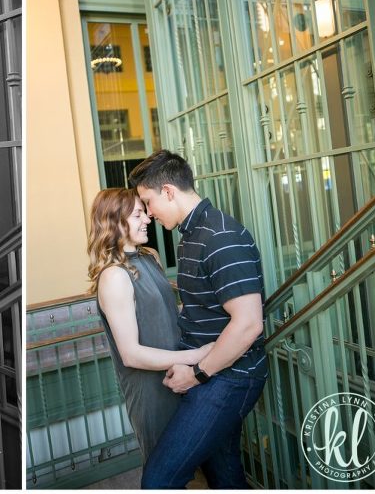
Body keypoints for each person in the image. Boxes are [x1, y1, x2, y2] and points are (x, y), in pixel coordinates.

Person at [129, 150, 266, 489]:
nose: (149, 213)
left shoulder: (219, 236)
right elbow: (204, 308)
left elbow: (248, 324)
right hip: (213, 373)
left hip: (227, 378)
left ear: (169, 192)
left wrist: (197, 374)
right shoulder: (193, 234)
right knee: (224, 471)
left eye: (148, 202)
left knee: (158, 480)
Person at [87, 188, 213, 464]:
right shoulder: (113, 277)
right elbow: (131, 354)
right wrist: (195, 356)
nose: (147, 218)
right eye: (137, 214)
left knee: (200, 467)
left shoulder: (150, 256)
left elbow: (164, 313)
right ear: (114, 222)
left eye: (144, 211)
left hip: (182, 376)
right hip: (152, 392)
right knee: (168, 472)